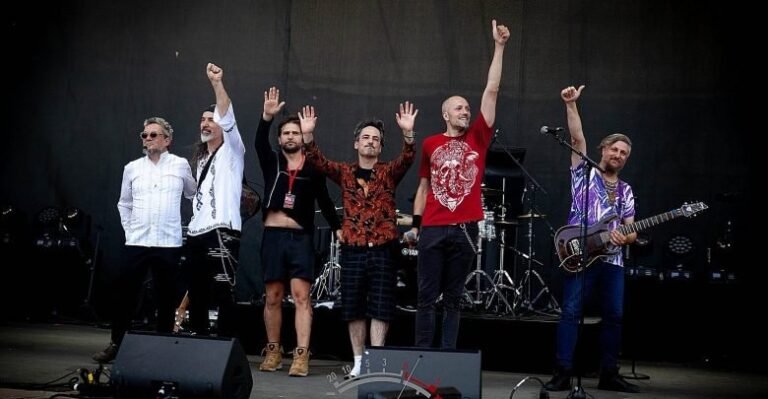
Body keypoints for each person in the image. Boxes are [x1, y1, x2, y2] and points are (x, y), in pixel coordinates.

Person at [403, 19, 510, 349]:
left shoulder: (478, 137)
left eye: (467, 107)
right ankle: (423, 357)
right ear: (446, 114)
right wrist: (417, 226)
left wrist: (500, 47)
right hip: (433, 227)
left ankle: (447, 359)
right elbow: (423, 187)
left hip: (465, 228)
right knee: (425, 296)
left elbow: (491, 91)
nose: (466, 111)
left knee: (453, 299)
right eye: (460, 107)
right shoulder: (430, 144)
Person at [300, 102, 418, 378]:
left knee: (380, 305)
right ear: (356, 144)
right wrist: (307, 136)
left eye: (375, 139)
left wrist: (408, 134)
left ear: (380, 147)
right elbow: (317, 161)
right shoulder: (344, 171)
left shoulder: (388, 171)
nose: (370, 142)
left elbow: (408, 158)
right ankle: (359, 361)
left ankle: (376, 360)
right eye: (365, 137)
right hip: (353, 248)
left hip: (383, 248)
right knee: (353, 306)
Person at [543, 85, 640, 393]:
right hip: (580, 252)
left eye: (624, 153)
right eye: (615, 149)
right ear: (603, 149)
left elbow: (632, 228)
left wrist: (627, 238)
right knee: (571, 311)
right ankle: (563, 373)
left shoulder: (626, 191)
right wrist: (571, 105)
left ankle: (609, 373)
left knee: (614, 315)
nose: (619, 155)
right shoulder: (585, 172)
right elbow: (576, 139)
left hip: (612, 260)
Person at [93, 117, 196, 362]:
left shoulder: (180, 165)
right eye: (144, 135)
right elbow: (124, 203)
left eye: (153, 134)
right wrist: (130, 231)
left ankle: (162, 347)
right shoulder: (132, 168)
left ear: (167, 139)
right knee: (125, 295)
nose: (147, 138)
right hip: (137, 241)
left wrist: (191, 226)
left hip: (168, 241)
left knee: (166, 296)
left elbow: (193, 194)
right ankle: (117, 343)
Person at [254, 87, 341, 377]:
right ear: (280, 140)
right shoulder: (272, 162)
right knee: (273, 296)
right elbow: (258, 143)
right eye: (286, 133)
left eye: (295, 133)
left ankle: (302, 354)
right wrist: (267, 117)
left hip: (300, 238)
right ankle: (274, 349)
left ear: (303, 137)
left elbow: (326, 201)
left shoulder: (313, 167)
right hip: (273, 237)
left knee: (302, 295)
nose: (291, 136)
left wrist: (338, 228)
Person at [185, 63, 245, 338]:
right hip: (197, 232)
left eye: (211, 119)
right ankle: (198, 340)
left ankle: (222, 346)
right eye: (203, 119)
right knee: (196, 291)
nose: (205, 123)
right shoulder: (200, 160)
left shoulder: (233, 150)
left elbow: (227, 113)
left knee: (223, 290)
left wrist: (217, 83)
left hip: (222, 229)